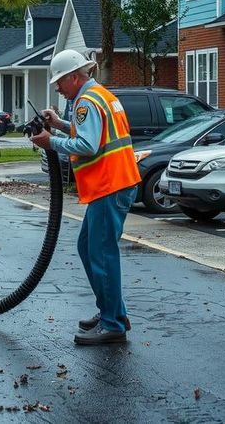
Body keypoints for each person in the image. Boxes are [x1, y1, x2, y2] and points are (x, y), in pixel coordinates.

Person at [29, 49, 142, 346]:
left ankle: (113, 323)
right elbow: (93, 133)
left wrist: (49, 141)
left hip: (109, 185)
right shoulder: (99, 96)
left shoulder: (85, 102)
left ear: (75, 77)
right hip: (115, 183)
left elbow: (88, 144)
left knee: (101, 253)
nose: (57, 87)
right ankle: (112, 312)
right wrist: (60, 124)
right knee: (87, 247)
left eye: (60, 81)